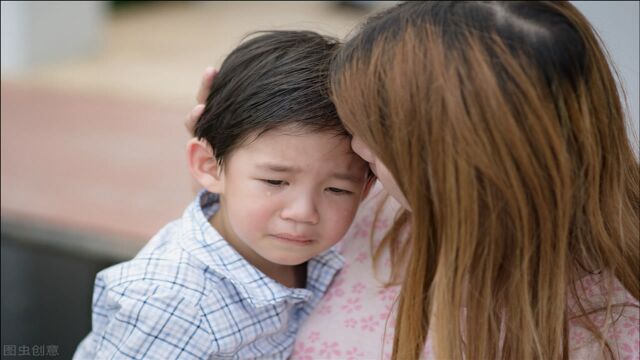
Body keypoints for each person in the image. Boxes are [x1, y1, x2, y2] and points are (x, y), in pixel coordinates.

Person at [188, 2, 639, 359]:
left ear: (457, 166)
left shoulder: (612, 326)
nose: (357, 150)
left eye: (380, 135)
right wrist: (237, 161)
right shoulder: (374, 202)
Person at [74, 30, 373, 359]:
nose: (304, 212)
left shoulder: (320, 249)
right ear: (209, 167)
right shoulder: (172, 306)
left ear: (367, 187)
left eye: (337, 189)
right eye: (275, 182)